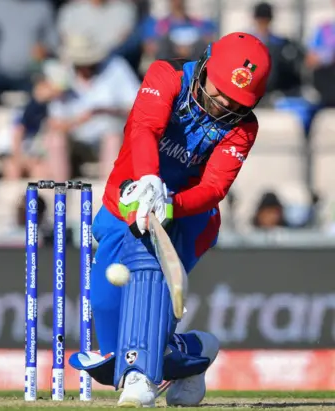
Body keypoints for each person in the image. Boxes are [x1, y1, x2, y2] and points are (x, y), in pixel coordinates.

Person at [69, 32, 271, 407]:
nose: (224, 104)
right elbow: (145, 128)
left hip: (189, 217)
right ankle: (192, 353)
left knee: (148, 281)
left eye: (237, 100)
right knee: (107, 304)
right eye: (220, 91)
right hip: (125, 203)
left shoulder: (244, 127)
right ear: (206, 65)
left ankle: (141, 378)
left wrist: (171, 205)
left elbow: (214, 186)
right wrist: (149, 180)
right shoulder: (167, 76)